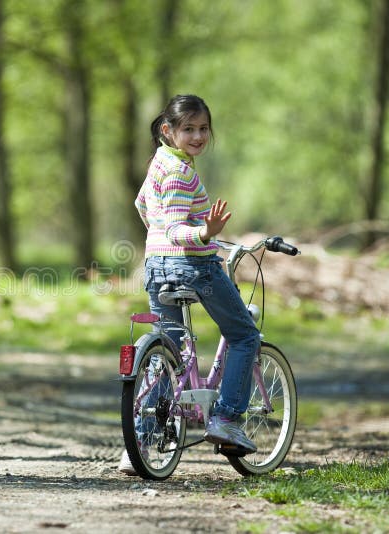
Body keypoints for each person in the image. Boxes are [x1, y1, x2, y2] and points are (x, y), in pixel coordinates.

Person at [119, 94, 260, 475]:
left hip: (155, 267)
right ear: (169, 130)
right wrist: (205, 232)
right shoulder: (182, 172)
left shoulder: (158, 163)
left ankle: (142, 442)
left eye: (203, 129)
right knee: (245, 335)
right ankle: (227, 419)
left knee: (169, 352)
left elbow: (142, 206)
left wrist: (161, 238)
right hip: (193, 267)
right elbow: (180, 227)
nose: (198, 136)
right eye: (189, 129)